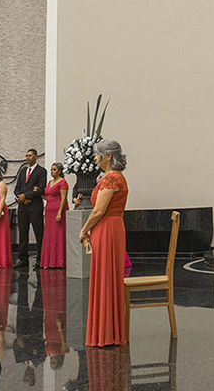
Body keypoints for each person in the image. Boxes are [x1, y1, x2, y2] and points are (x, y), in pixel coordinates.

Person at [80, 140, 129, 347]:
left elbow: (99, 211)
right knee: (107, 277)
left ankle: (106, 332)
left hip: (107, 229)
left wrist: (83, 230)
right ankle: (110, 331)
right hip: (110, 227)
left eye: (98, 154)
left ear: (108, 156)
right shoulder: (112, 178)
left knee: (105, 277)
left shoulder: (112, 178)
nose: (95, 158)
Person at [14, 149, 47, 269]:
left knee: (38, 233)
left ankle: (40, 258)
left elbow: (41, 189)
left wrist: (26, 196)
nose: (28, 158)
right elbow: (16, 188)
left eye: (30, 156)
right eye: (26, 156)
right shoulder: (23, 171)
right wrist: (21, 197)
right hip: (22, 207)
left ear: (36, 156)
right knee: (23, 233)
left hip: (35, 207)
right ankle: (23, 259)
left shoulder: (41, 171)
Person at [39, 163, 69, 269]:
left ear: (60, 171)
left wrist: (60, 212)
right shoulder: (50, 182)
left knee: (58, 234)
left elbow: (64, 198)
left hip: (58, 210)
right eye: (51, 169)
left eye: (54, 169)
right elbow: (48, 196)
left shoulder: (63, 182)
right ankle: (49, 261)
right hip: (49, 211)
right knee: (49, 234)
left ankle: (60, 261)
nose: (52, 171)